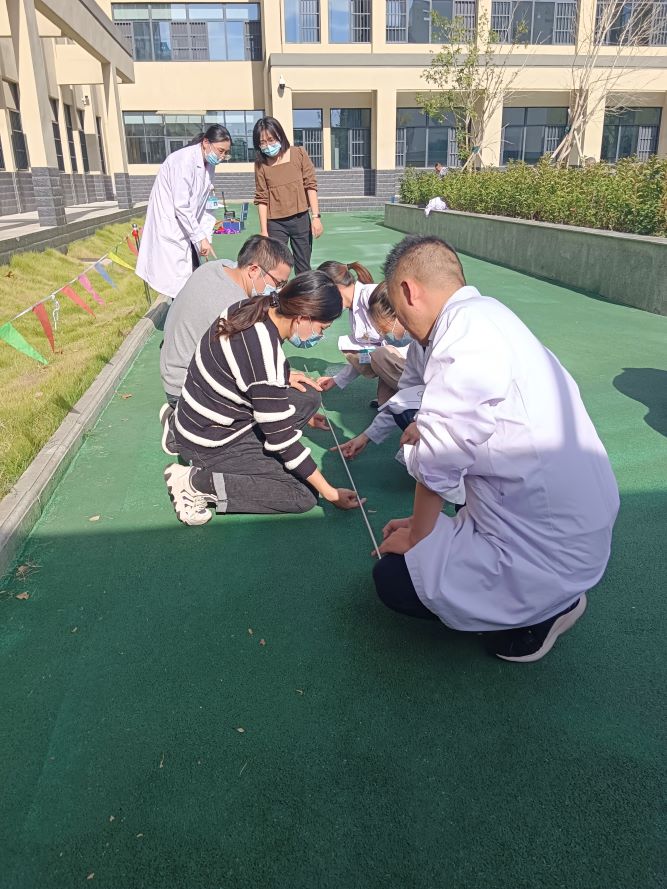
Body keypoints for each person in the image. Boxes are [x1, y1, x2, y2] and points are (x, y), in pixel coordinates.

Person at [373, 235, 619, 663]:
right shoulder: (491, 316)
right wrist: (423, 525)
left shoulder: (463, 332)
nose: (403, 326)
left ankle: (542, 614)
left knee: (392, 577)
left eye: (397, 308)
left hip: (548, 554)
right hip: (563, 533)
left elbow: (441, 451)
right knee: (416, 545)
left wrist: (419, 536)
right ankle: (551, 597)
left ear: (409, 291)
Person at [164, 271, 363, 526]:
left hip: (198, 414)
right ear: (302, 318)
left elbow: (243, 364)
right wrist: (330, 492)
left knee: (308, 396)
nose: (320, 335)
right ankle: (195, 483)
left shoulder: (253, 307)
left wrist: (285, 377)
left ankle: (177, 430)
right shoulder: (263, 355)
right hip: (210, 442)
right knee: (302, 495)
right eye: (322, 328)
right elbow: (283, 442)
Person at [159, 235, 304, 456]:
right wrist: (282, 377)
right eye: (278, 283)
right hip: (186, 390)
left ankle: (178, 418)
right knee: (276, 401)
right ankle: (183, 430)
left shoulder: (215, 268)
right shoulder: (234, 309)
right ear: (253, 270)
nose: (277, 291)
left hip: (172, 374)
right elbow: (253, 368)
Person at [137, 125, 232, 300]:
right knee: (179, 285)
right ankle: (182, 314)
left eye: (225, 153)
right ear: (206, 142)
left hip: (186, 227)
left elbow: (203, 204)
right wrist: (199, 237)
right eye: (220, 151)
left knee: (190, 278)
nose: (222, 156)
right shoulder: (182, 161)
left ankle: (188, 309)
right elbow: (181, 206)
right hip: (171, 228)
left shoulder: (208, 165)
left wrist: (205, 236)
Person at [317, 264, 407, 406]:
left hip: (411, 356)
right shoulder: (354, 307)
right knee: (384, 403)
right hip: (393, 356)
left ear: (336, 288)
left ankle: (415, 392)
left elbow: (399, 337)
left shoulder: (372, 296)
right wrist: (337, 379)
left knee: (378, 356)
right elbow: (364, 351)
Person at [253, 117, 322, 274]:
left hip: (300, 219)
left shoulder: (298, 154)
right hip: (275, 223)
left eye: (271, 140)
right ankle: (279, 291)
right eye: (262, 142)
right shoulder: (261, 165)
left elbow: (310, 185)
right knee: (276, 266)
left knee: (303, 266)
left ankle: (302, 290)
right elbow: (262, 198)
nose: (268, 146)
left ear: (280, 135)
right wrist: (264, 231)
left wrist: (316, 217)